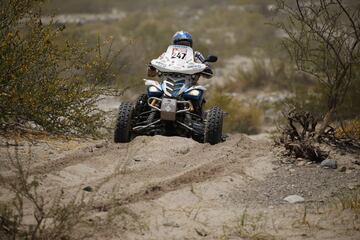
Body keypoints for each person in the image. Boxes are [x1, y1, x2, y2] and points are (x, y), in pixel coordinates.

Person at [147, 31, 213, 79]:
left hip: (189, 85)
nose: (183, 47)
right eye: (180, 44)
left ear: (191, 45)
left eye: (186, 44)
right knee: (152, 90)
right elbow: (151, 74)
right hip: (165, 82)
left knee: (198, 94)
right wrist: (152, 67)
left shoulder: (196, 55)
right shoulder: (166, 55)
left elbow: (208, 72)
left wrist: (207, 68)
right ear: (174, 44)